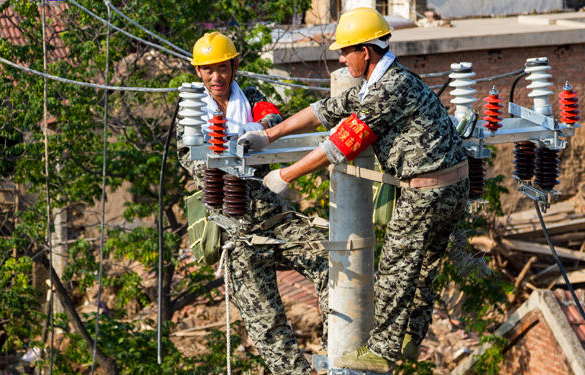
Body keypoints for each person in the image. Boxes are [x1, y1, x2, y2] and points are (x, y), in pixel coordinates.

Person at [238, 8, 469, 373]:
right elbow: (324, 109)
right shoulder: (385, 81)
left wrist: (285, 175)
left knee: (396, 269)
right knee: (425, 265)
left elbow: (338, 147)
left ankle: (381, 351)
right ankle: (412, 335)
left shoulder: (387, 91)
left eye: (346, 52)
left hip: (427, 190)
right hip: (454, 183)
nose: (341, 59)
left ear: (367, 51)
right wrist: (269, 134)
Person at [177, 32, 329, 375]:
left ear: (234, 67)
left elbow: (273, 118)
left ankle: (337, 352)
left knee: (330, 263)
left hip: (275, 220)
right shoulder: (191, 111)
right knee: (267, 325)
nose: (217, 78)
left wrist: (258, 130)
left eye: (222, 69)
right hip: (236, 232)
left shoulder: (253, 98)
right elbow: (189, 158)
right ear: (199, 73)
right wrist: (222, 155)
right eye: (208, 71)